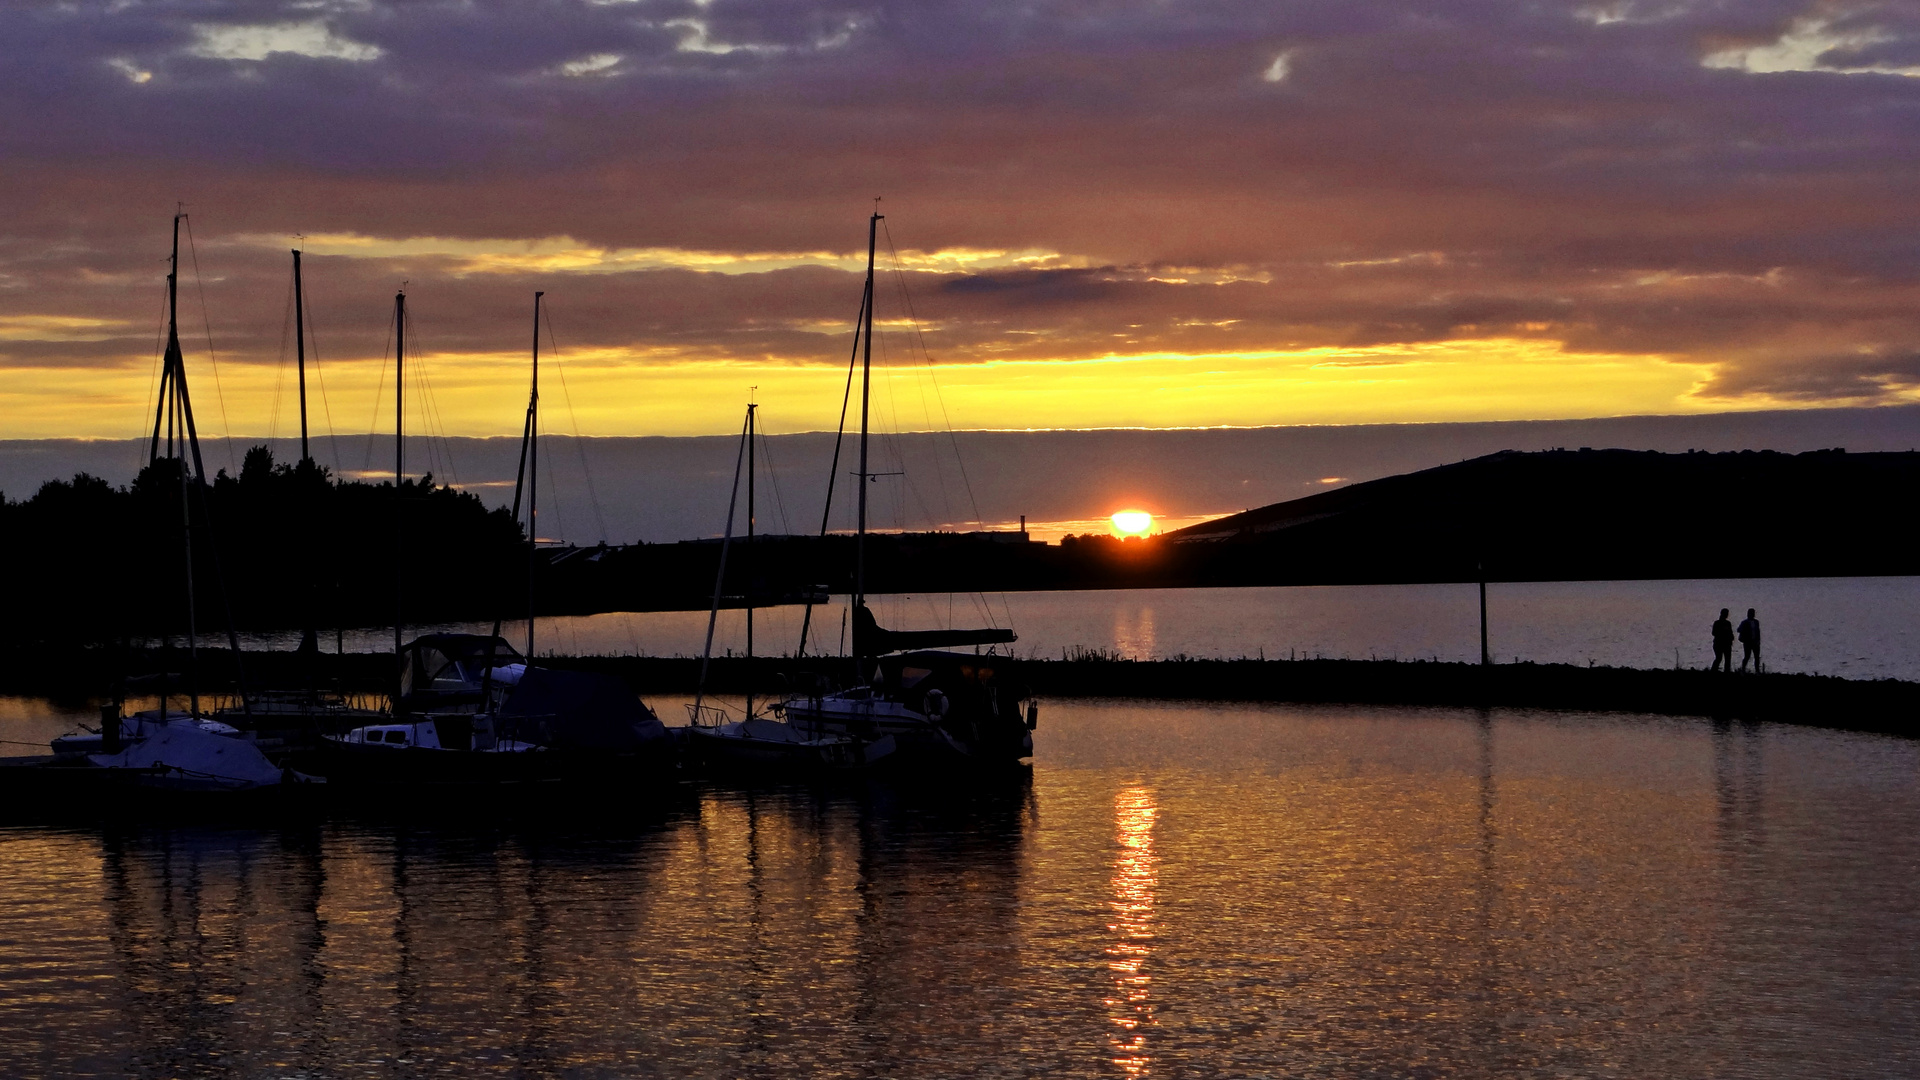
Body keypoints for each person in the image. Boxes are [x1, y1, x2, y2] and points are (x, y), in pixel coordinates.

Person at [1737, 608, 1762, 673]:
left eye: (1753, 613)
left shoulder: (1756, 622)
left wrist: (1758, 640)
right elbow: (1739, 629)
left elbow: (1758, 632)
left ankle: (1757, 671)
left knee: (1756, 657)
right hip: (1747, 642)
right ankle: (1743, 669)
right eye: (1751, 613)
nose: (1752, 614)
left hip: (1755, 642)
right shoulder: (1744, 622)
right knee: (1747, 656)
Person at [1711, 608, 1735, 672]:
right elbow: (1714, 633)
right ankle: (1713, 670)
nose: (1727, 615)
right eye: (1726, 614)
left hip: (1727, 644)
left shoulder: (1728, 623)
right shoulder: (1717, 623)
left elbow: (1730, 633)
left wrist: (1731, 638)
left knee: (1727, 659)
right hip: (1719, 644)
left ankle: (1726, 671)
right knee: (1719, 658)